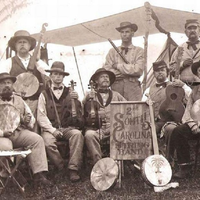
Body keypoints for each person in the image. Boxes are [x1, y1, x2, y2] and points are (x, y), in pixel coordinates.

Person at [0, 72, 51, 187]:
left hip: (18, 133)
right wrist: (2, 132)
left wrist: (26, 121)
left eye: (9, 82)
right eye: (3, 83)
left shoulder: (19, 100)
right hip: (1, 136)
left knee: (36, 139)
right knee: (6, 148)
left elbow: (31, 121)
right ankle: (6, 176)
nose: (6, 85)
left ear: (13, 85)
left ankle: (39, 174)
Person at [37, 61, 84, 182]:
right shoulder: (44, 94)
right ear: (51, 76)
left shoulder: (71, 92)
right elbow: (41, 116)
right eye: (55, 74)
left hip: (67, 127)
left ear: (64, 77)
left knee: (77, 135)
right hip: (51, 128)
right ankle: (61, 167)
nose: (57, 76)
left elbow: (79, 111)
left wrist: (76, 100)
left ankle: (73, 169)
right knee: (47, 142)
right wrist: (53, 131)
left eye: (60, 74)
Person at [142, 60, 191, 158]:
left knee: (171, 130)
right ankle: (150, 159)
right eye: (157, 71)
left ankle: (169, 159)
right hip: (155, 121)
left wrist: (183, 85)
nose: (160, 72)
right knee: (146, 131)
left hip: (172, 121)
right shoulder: (148, 90)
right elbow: (142, 106)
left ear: (167, 72)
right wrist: (146, 104)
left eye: (162, 70)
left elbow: (191, 97)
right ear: (154, 74)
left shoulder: (176, 86)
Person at [0, 30, 49, 117]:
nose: (22, 44)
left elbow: (49, 75)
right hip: (16, 103)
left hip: (36, 103)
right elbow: (2, 83)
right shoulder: (8, 63)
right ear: (15, 46)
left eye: (25, 42)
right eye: (19, 42)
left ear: (30, 45)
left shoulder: (38, 62)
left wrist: (37, 60)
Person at [83, 68, 126, 165]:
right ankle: (99, 164)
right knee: (89, 135)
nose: (105, 79)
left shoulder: (117, 95)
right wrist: (87, 99)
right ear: (96, 81)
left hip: (114, 129)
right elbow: (81, 110)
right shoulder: (90, 95)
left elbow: (128, 108)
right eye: (102, 77)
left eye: (107, 77)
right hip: (97, 130)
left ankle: (117, 164)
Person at [169, 60, 200, 178]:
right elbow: (189, 110)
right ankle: (185, 166)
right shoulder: (195, 91)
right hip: (196, 126)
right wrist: (192, 124)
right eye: (199, 71)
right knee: (178, 131)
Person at [104, 21, 144, 101]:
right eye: (122, 32)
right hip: (116, 88)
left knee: (134, 112)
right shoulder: (112, 51)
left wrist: (118, 66)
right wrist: (128, 71)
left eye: (127, 32)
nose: (124, 34)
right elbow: (107, 70)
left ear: (132, 33)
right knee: (116, 112)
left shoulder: (139, 51)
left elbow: (138, 70)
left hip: (133, 90)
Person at [170, 19, 200, 84]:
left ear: (199, 30)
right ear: (185, 32)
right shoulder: (179, 48)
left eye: (195, 28)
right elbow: (171, 70)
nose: (192, 30)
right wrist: (182, 64)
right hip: (183, 87)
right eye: (189, 28)